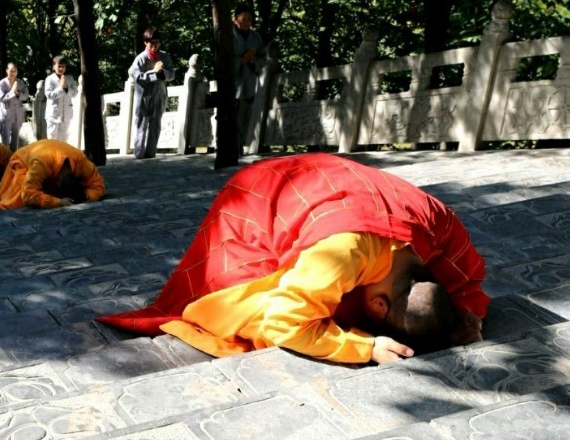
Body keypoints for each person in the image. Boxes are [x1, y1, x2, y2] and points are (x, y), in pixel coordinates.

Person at [97, 153, 489, 365]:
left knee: (324, 300)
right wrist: (362, 347)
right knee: (242, 313)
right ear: (379, 305)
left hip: (335, 177)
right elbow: (283, 323)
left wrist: (465, 317)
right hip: (257, 194)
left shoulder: (439, 223)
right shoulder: (341, 253)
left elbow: (465, 283)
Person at [0, 139, 106, 210]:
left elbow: (98, 184)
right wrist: (57, 202)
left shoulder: (81, 161)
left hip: (46, 151)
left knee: (42, 191)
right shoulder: (40, 165)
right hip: (23, 158)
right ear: (58, 183)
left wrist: (88, 196)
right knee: (18, 197)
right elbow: (27, 195)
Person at [128, 27, 173, 159]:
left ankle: (151, 153)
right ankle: (139, 153)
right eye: (151, 42)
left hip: (159, 95)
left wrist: (161, 73)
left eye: (157, 41)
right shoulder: (140, 58)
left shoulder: (164, 56)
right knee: (141, 125)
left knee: (156, 125)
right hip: (144, 98)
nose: (154, 44)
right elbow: (139, 78)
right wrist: (154, 72)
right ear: (145, 43)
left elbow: (172, 74)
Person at [232, 4, 265, 149]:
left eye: (249, 20)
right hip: (234, 83)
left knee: (246, 116)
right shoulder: (229, 35)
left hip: (250, 83)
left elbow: (263, 58)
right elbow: (223, 59)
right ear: (235, 19)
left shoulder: (256, 37)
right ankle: (232, 146)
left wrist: (252, 60)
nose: (246, 23)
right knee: (233, 117)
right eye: (243, 19)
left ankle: (242, 145)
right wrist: (241, 61)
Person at [44, 55, 79, 142]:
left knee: (63, 141)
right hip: (53, 115)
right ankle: (52, 156)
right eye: (59, 66)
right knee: (52, 140)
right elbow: (49, 95)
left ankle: (62, 156)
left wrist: (66, 88)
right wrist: (60, 87)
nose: (61, 69)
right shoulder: (49, 79)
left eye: (63, 66)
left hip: (66, 115)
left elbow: (75, 93)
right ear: (53, 67)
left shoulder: (70, 79)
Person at [0, 63, 29, 152]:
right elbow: (1, 98)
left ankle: (14, 162)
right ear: (7, 71)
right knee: (5, 142)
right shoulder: (2, 83)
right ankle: (4, 162)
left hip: (17, 115)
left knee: (15, 141)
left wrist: (18, 94)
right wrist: (12, 92)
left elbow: (26, 95)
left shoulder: (20, 82)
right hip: (6, 115)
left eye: (15, 71)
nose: (13, 73)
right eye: (11, 71)